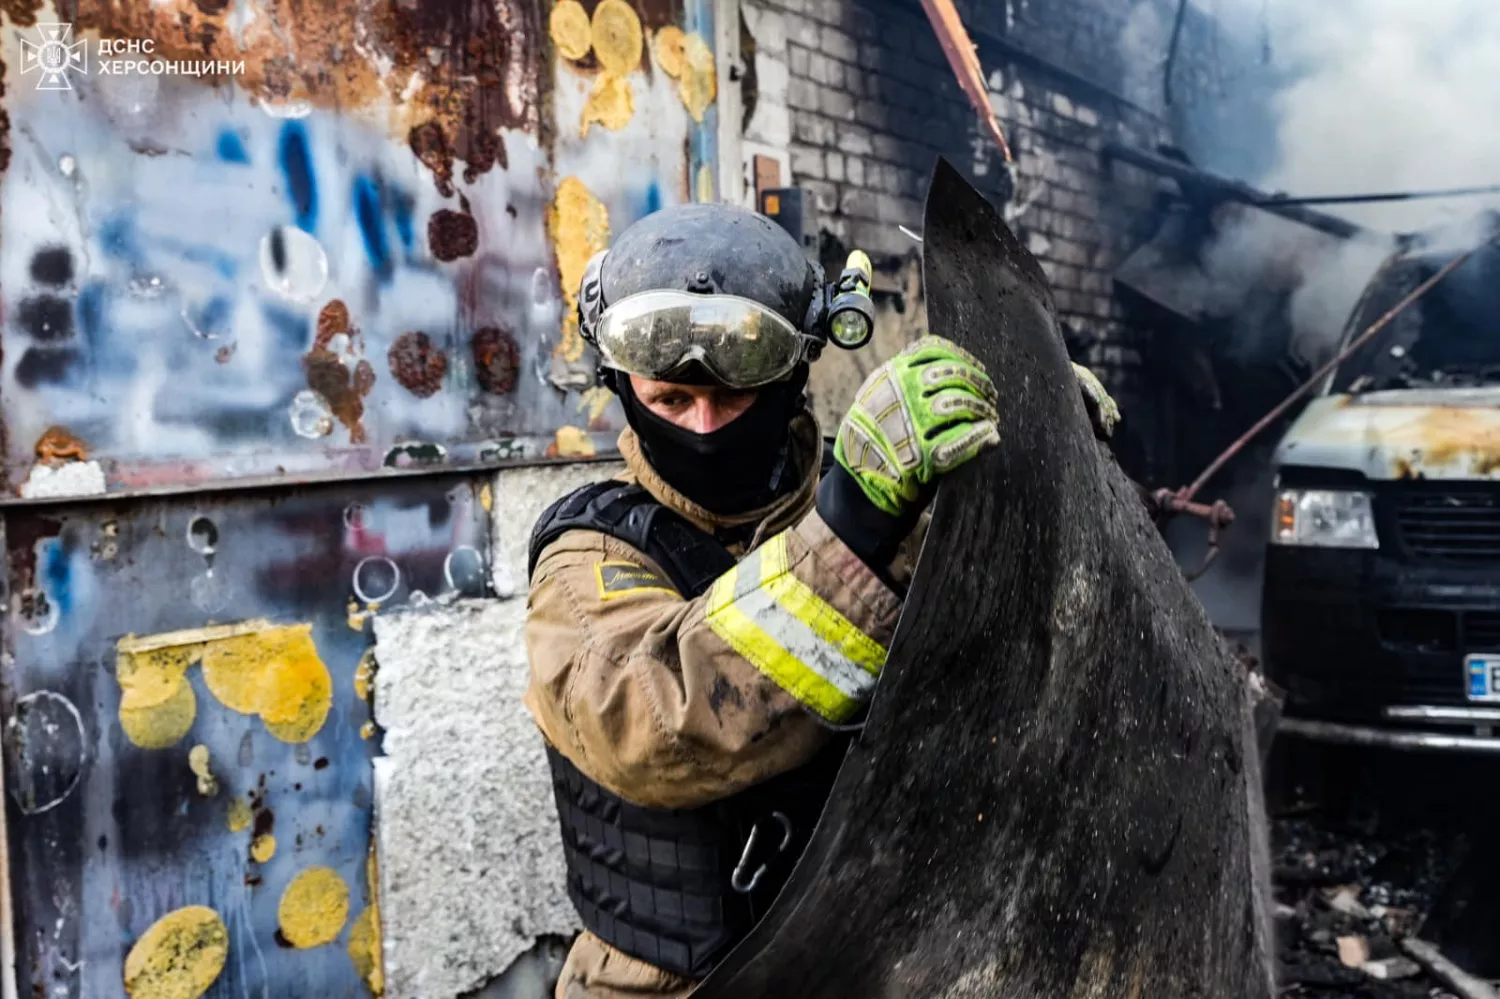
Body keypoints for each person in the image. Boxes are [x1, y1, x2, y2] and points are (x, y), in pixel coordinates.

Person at [523, 202, 1120, 999]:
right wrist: (849, 533)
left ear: (794, 374)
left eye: (734, 398)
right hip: (667, 986)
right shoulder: (590, 558)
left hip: (867, 957)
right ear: (621, 387)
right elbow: (651, 720)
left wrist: (1029, 436)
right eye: (670, 401)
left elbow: (998, 616)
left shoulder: (874, 487)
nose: (703, 425)